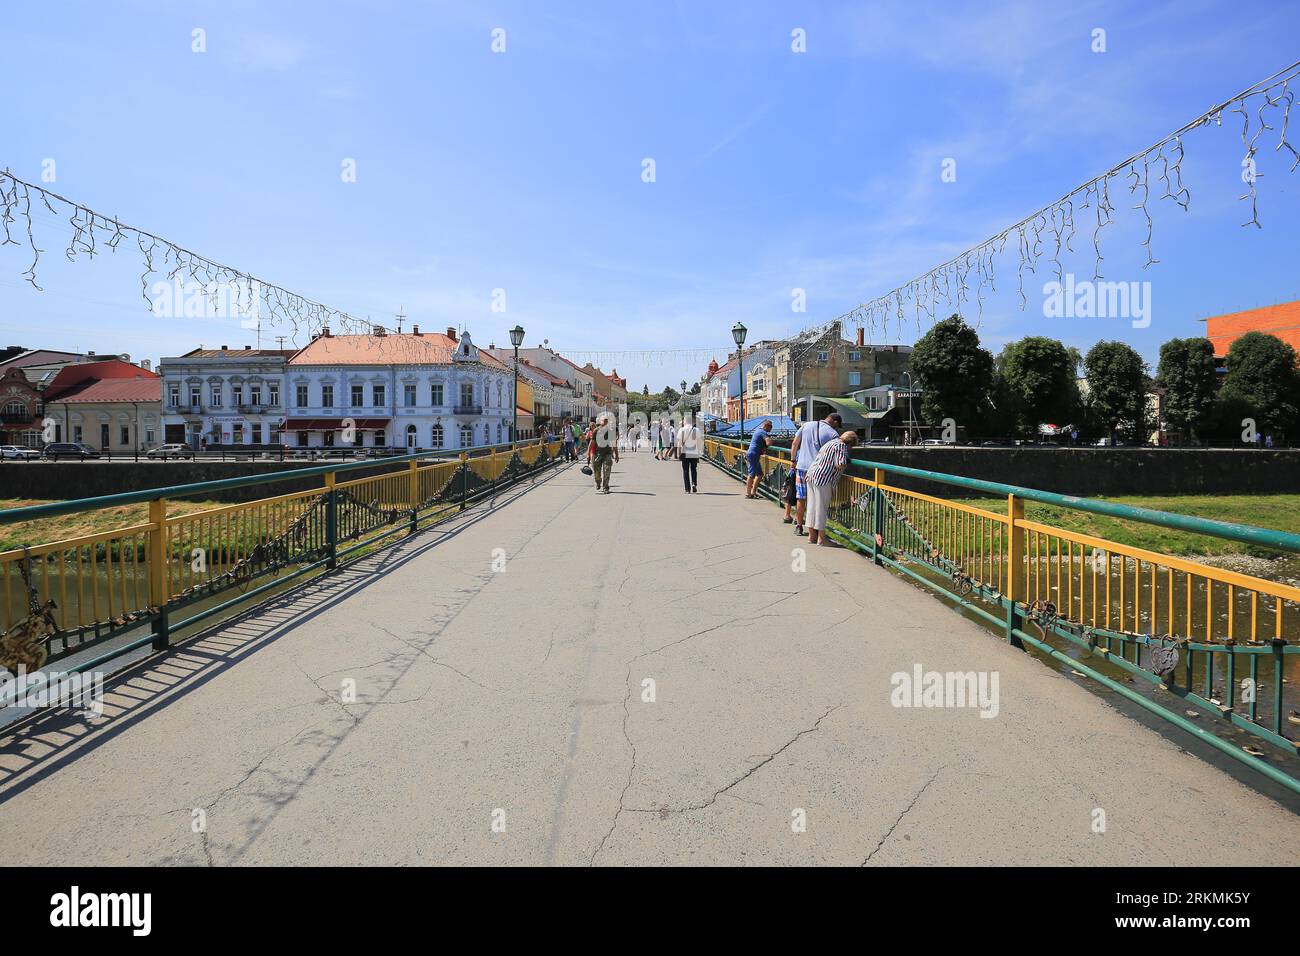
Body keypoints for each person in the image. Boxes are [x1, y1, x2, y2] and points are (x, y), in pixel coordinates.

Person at [788, 412, 842, 537]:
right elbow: (834, 453)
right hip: (818, 471)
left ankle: (799, 525)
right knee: (817, 500)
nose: (836, 428)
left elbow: (795, 443)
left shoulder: (807, 425)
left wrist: (793, 461)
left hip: (801, 467)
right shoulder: (833, 434)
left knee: (801, 497)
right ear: (834, 422)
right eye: (837, 425)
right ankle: (816, 530)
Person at [805, 430, 858, 546]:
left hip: (812, 475)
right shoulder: (841, 446)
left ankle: (811, 536)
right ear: (850, 443)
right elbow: (840, 463)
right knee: (821, 508)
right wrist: (846, 460)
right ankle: (821, 538)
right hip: (824, 478)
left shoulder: (831, 442)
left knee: (812, 506)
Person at [588, 413, 619, 493]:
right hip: (597, 454)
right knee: (596, 472)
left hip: (607, 453)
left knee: (607, 470)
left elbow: (614, 444)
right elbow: (592, 443)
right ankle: (598, 482)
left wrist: (616, 455)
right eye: (603, 421)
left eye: (606, 421)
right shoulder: (596, 431)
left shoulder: (611, 431)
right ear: (600, 421)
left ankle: (606, 487)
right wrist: (588, 454)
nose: (604, 422)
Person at [744, 420, 773, 498]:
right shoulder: (763, 432)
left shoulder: (758, 431)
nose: (771, 429)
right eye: (770, 427)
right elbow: (768, 443)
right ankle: (748, 493)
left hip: (753, 454)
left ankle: (753, 492)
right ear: (766, 425)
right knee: (751, 474)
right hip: (753, 454)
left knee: (759, 475)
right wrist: (768, 443)